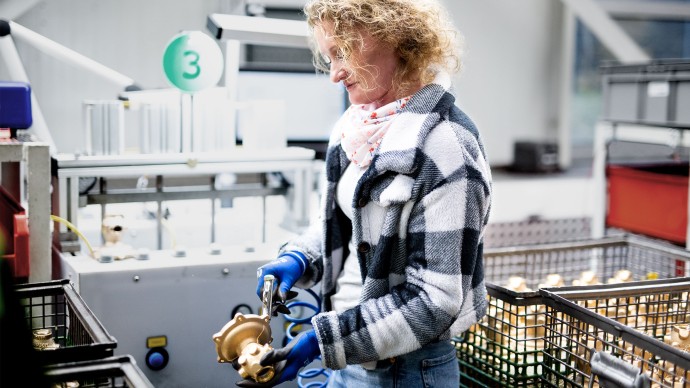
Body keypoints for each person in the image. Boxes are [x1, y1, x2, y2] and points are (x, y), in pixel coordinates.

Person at [236, 0, 492, 386]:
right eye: (329, 57)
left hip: (405, 371)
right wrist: (300, 258)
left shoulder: (446, 147)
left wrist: (323, 342)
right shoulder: (353, 128)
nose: (335, 75)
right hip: (347, 360)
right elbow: (343, 233)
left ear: (393, 36)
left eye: (343, 52)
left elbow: (435, 301)